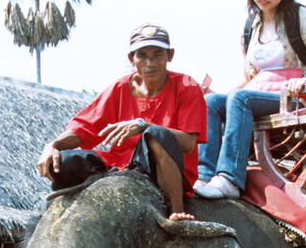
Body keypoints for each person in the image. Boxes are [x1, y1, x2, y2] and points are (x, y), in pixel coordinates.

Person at [36, 24, 206, 222]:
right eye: (142, 55)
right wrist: (53, 145)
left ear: (170, 55)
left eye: (157, 54)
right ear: (131, 59)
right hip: (120, 165)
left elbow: (188, 143)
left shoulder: (187, 85)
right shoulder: (120, 87)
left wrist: (144, 125)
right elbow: (84, 128)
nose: (150, 62)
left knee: (156, 135)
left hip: (165, 168)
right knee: (62, 161)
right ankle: (58, 217)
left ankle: (176, 211)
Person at [195, 0, 306, 200]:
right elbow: (248, 77)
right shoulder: (251, 25)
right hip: (256, 92)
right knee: (212, 103)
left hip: (294, 96)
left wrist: (305, 80)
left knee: (240, 99)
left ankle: (230, 178)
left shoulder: (300, 16)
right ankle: (204, 173)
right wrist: (215, 93)